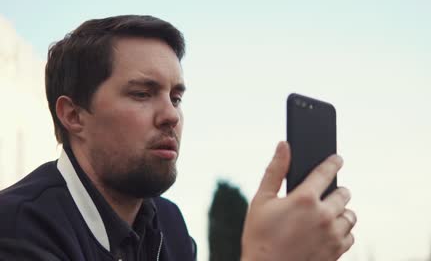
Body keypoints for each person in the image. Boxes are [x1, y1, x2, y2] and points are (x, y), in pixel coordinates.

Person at [0, 15, 356, 261]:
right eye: (142, 93)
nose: (171, 115)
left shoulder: (169, 224)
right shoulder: (17, 227)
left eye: (176, 97)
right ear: (74, 115)